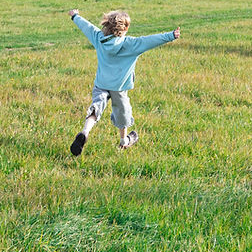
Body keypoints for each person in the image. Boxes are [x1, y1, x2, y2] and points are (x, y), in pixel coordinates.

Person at [68, 9, 180, 156]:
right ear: (125, 28)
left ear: (107, 25)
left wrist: (75, 16)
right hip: (119, 88)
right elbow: (151, 40)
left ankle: (85, 131)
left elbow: (87, 26)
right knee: (122, 113)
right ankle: (124, 141)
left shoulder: (98, 38)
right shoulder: (131, 44)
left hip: (101, 84)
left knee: (96, 109)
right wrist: (171, 35)